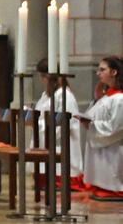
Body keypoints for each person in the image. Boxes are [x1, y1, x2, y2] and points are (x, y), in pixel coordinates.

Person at [77, 55, 123, 199]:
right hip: (102, 144)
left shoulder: (119, 99)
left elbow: (116, 127)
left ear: (114, 72)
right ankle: (103, 187)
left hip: (114, 147)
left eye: (102, 70)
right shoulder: (106, 96)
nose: (98, 73)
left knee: (111, 172)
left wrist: (92, 124)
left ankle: (115, 190)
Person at [33, 58, 83, 185]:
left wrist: (40, 126)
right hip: (47, 143)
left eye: (43, 76)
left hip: (61, 145)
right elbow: (40, 115)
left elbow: (65, 122)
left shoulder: (65, 96)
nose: (41, 80)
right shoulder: (47, 95)